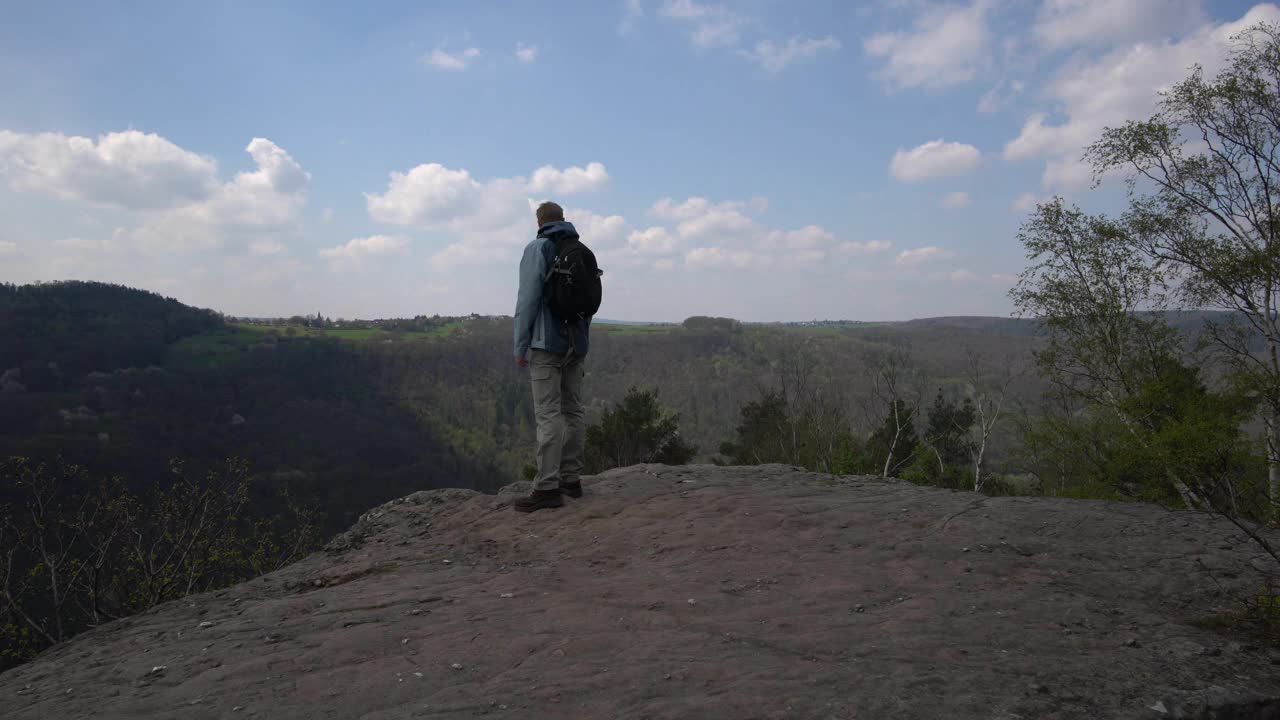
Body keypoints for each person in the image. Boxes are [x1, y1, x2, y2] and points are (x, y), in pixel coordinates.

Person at [512, 201, 594, 513]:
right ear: (562, 219)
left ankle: (547, 487)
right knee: (573, 411)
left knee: (548, 415)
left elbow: (528, 299)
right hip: (577, 344)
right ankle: (571, 480)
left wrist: (520, 345)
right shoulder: (580, 249)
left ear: (540, 221)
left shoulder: (538, 248)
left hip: (547, 345)